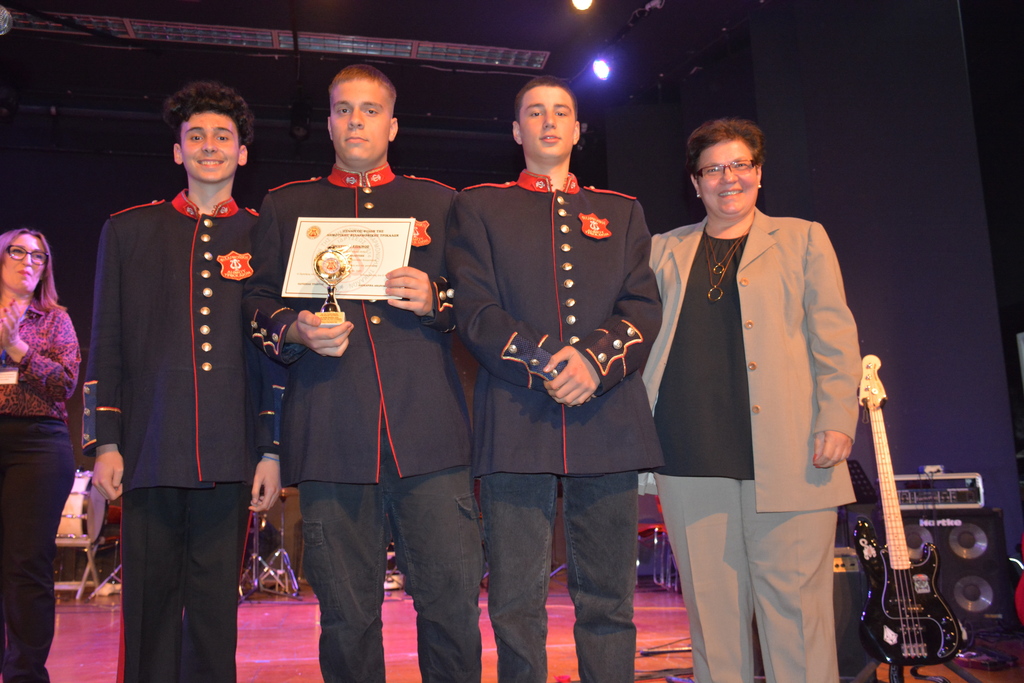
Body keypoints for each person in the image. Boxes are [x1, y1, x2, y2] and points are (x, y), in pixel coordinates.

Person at [242, 64, 482, 683]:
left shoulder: (439, 202)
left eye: (370, 110)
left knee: (452, 609)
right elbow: (256, 301)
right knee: (347, 620)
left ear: (392, 125)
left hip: (430, 438)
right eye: (344, 109)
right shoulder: (288, 205)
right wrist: (295, 329)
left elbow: (478, 299)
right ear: (327, 122)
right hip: (331, 436)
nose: (356, 121)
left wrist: (436, 299)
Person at [446, 75, 663, 683]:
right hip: (517, 417)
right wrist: (548, 363)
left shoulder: (621, 210)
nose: (548, 121)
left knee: (609, 600)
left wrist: (593, 361)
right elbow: (475, 309)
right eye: (535, 112)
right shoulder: (479, 206)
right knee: (515, 602)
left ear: (576, 130)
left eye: (561, 112)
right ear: (517, 131)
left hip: (608, 416)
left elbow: (642, 306)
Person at [641, 118, 860, 683]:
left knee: (798, 618)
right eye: (713, 169)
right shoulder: (662, 250)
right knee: (713, 625)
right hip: (687, 457)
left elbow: (835, 337)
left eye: (740, 165)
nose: (728, 178)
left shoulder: (803, 238)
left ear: (759, 173)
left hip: (794, 456)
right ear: (695, 183)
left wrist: (838, 417)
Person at [84, 81, 280, 683]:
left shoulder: (264, 235)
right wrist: (106, 441)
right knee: (148, 608)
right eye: (196, 136)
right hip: (149, 448)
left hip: (231, 450)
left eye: (223, 136)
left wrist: (271, 449)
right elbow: (106, 341)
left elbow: (274, 357)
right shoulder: (128, 230)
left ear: (242, 152)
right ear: (177, 151)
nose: (209, 145)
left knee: (216, 613)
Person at [0, 228, 79, 682]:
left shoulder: (54, 320)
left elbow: (64, 384)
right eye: (18, 251)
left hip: (38, 444)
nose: (28, 261)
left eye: (38, 256)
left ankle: (25, 674)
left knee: (26, 563)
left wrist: (17, 348)